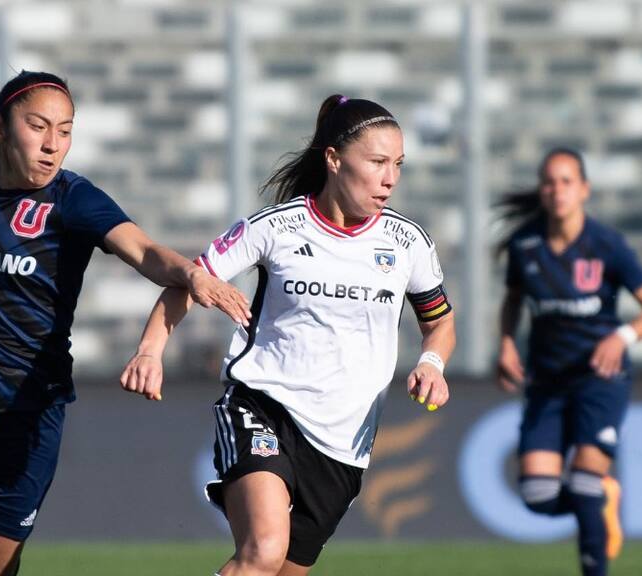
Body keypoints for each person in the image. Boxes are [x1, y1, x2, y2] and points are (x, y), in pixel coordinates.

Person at [0, 70, 250, 576]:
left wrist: (189, 274)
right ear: (0, 129)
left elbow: (144, 250)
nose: (53, 145)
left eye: (65, 130)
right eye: (38, 126)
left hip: (28, 408)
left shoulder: (74, 199)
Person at [120, 94, 456, 575]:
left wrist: (432, 363)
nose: (391, 179)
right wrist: (151, 351)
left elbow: (439, 321)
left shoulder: (408, 243)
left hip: (344, 443)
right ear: (335, 160)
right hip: (264, 406)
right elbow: (190, 282)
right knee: (263, 551)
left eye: (398, 164)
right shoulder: (276, 228)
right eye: (378, 162)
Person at [495, 147, 642, 576]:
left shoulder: (606, 245)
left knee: (583, 481)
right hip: (547, 381)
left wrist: (622, 335)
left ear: (584, 189)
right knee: (538, 495)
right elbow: (513, 301)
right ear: (541, 189)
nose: (557, 190)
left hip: (600, 378)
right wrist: (505, 344)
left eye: (567, 181)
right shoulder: (526, 244)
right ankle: (603, 498)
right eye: (549, 182)